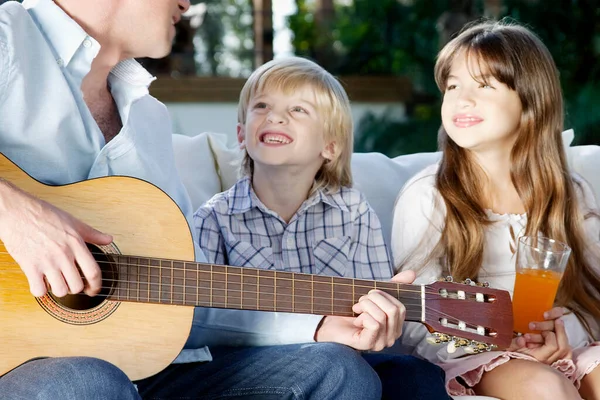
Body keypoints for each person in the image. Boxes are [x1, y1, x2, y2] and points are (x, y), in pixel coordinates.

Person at [0, 1, 436, 399]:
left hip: (153, 372)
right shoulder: (8, 38)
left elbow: (187, 293)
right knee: (87, 384)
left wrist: (320, 323)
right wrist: (18, 214)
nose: (190, 4)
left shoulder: (148, 117)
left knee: (338, 372)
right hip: (26, 369)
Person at [190, 56, 450, 400]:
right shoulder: (213, 218)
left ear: (330, 146)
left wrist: (380, 322)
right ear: (241, 134)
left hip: (346, 360)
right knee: (337, 363)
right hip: (247, 371)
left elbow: (372, 334)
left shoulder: (354, 213)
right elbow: (198, 324)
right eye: (262, 105)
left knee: (420, 377)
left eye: (298, 110)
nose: (275, 116)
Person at [391, 20, 600, 399]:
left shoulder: (571, 194)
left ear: (531, 100)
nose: (462, 99)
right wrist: (505, 347)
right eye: (453, 86)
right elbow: (415, 320)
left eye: (484, 85)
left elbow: (592, 298)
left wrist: (560, 336)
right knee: (544, 386)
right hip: (474, 357)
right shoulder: (430, 196)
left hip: (564, 348)